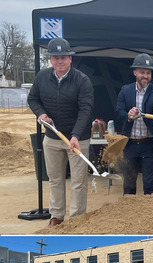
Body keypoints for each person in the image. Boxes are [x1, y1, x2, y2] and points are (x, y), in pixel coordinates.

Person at [27, 37, 94, 228]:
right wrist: (41, 113)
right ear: (50, 59)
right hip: (52, 138)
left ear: (70, 59)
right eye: (55, 57)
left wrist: (75, 135)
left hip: (78, 139)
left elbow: (85, 110)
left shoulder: (82, 80)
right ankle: (56, 216)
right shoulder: (42, 77)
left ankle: (76, 219)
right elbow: (33, 99)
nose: (60, 61)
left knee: (78, 181)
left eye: (63, 57)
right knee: (55, 180)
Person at [116, 53, 153, 195]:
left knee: (150, 186)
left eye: (148, 73)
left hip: (150, 145)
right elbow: (119, 111)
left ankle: (150, 215)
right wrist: (128, 115)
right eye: (142, 72)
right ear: (135, 72)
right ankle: (129, 214)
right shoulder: (125, 90)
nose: (145, 76)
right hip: (130, 144)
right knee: (128, 185)